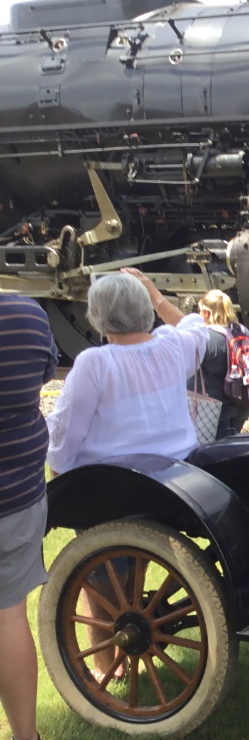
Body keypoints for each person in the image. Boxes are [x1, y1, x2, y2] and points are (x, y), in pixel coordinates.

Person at [46, 268, 208, 682]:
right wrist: (156, 295)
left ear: (97, 317)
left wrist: (59, 477)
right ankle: (120, 637)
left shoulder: (95, 363)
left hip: (113, 491)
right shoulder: (172, 346)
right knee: (123, 568)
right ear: (145, 310)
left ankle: (107, 665)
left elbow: (63, 440)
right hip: (174, 484)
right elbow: (197, 327)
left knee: (98, 571)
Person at [0, 293, 58, 740]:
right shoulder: (27, 315)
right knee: (8, 617)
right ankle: (25, 736)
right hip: (16, 497)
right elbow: (45, 374)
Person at [193, 289, 249, 438]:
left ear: (206, 313)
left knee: (218, 446)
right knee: (232, 440)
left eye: (199, 311)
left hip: (217, 409)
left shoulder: (207, 338)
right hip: (243, 402)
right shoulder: (243, 331)